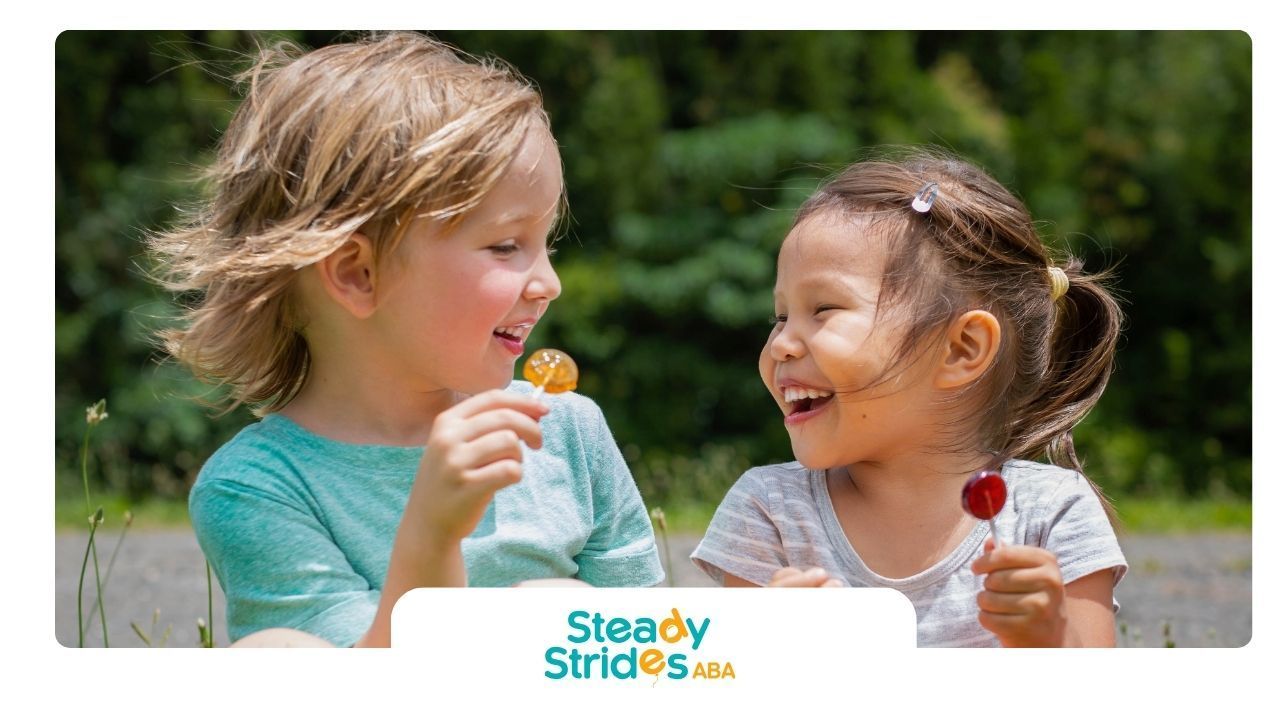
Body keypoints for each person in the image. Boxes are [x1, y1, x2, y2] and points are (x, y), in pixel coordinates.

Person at [149, 32, 663, 648]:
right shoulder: (259, 487)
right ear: (357, 274)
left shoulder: (569, 433)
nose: (549, 284)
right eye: (506, 246)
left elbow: (662, 658)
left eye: (544, 243)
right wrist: (432, 537)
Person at [691, 149, 1128, 648]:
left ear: (961, 350)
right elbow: (739, 680)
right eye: (781, 316)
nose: (780, 345)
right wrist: (773, 648)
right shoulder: (768, 512)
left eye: (824, 308)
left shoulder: (1051, 513)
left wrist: (1048, 640)